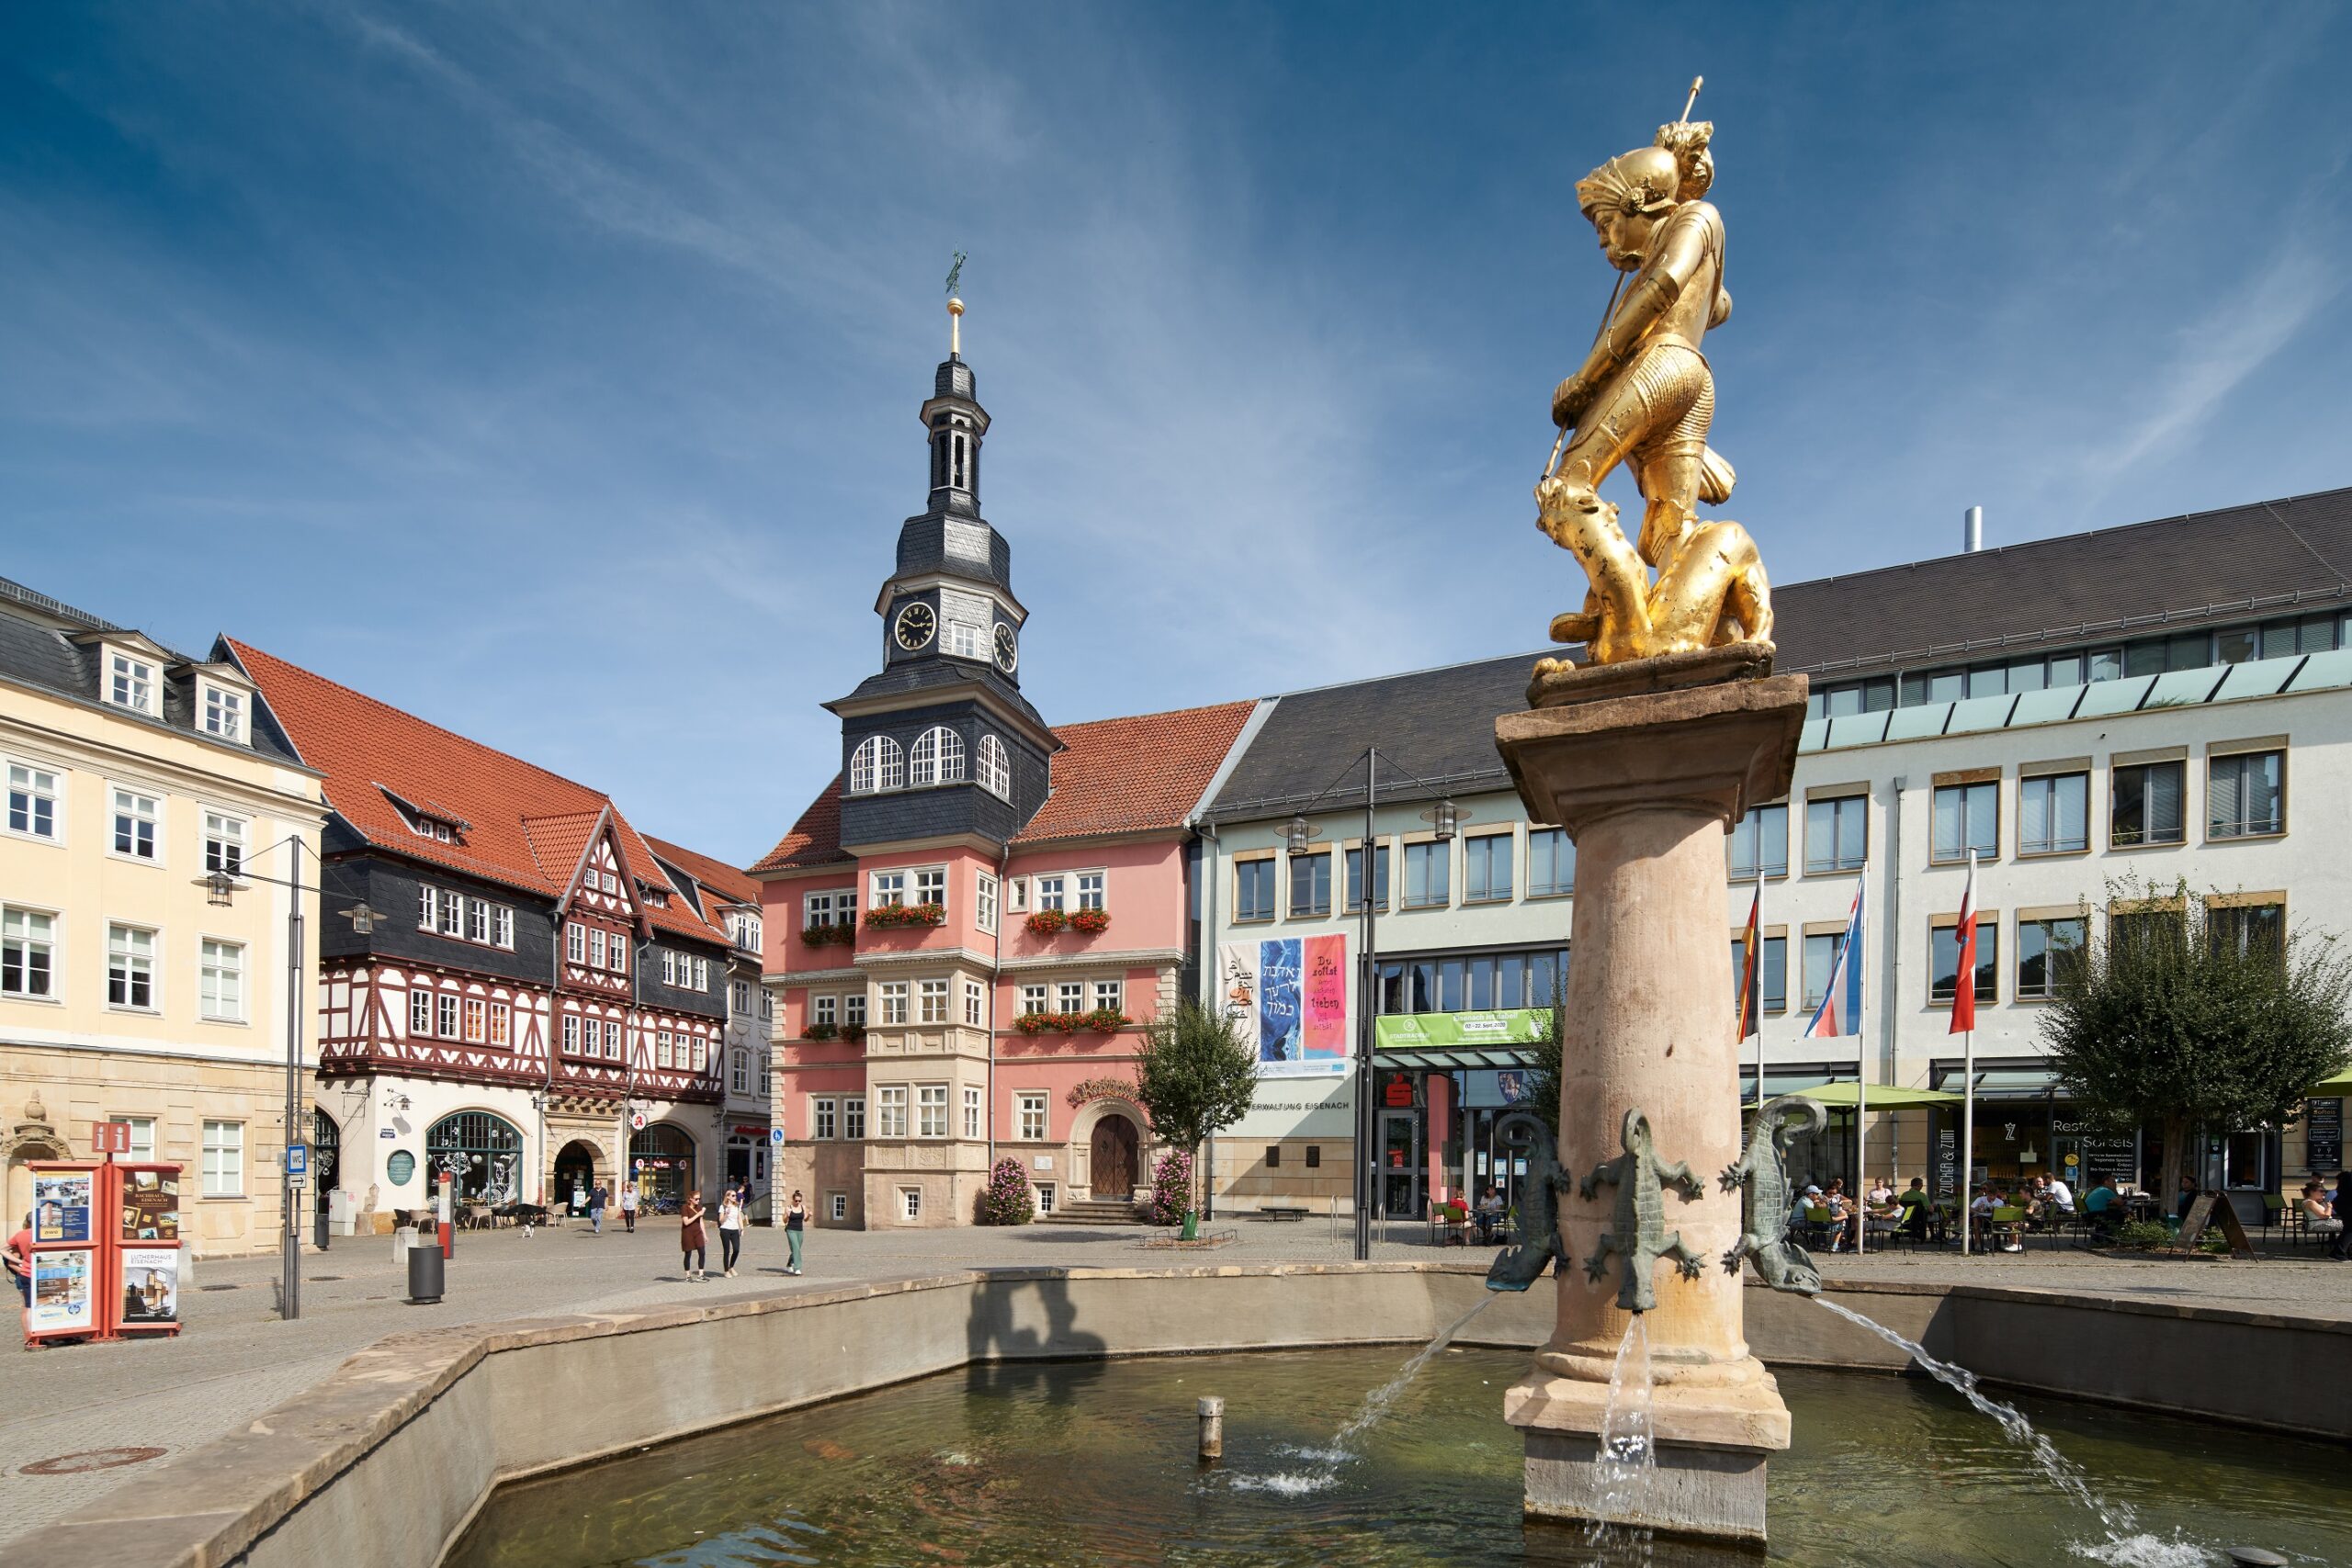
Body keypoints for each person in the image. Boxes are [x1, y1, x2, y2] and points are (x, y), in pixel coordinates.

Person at [2296, 1181, 2340, 1247]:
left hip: (2323, 1223)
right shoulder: (2311, 1203)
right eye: (2321, 1191)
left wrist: (2323, 1203)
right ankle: (2343, 1247)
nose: (2324, 1193)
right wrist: (2329, 1207)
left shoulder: (2312, 1202)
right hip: (2320, 1224)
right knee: (2349, 1226)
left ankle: (2342, 1245)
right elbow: (2325, 1216)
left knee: (2348, 1226)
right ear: (2312, 1192)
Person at [680, 1190, 708, 1281]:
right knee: (688, 1254)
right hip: (688, 1233)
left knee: (702, 1252)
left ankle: (701, 1274)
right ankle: (688, 1276)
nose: (698, 1201)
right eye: (696, 1199)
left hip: (698, 1233)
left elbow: (701, 1222)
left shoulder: (699, 1208)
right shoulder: (685, 1207)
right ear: (691, 1199)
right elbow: (686, 1222)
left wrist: (705, 1235)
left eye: (699, 1199)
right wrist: (698, 1215)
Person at [6, 1213, 32, 1309]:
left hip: (26, 1276)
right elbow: (12, 1264)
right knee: (27, 1306)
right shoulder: (21, 1239)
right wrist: (25, 1269)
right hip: (23, 1277)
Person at [717, 1185, 744, 1278]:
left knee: (736, 1249)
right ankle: (726, 1271)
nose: (735, 1197)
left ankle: (731, 1266)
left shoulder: (736, 1206)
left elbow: (739, 1218)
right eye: (733, 1195)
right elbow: (721, 1220)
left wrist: (742, 1228)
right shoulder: (723, 1206)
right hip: (725, 1230)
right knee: (727, 1251)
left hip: (734, 1230)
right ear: (727, 1196)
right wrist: (726, 1214)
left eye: (735, 1195)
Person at [784, 1189, 808, 1276]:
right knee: (796, 1247)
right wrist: (788, 1215)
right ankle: (797, 1268)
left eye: (799, 1201)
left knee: (796, 1249)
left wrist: (809, 1215)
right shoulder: (788, 1208)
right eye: (796, 1200)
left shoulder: (803, 1207)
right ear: (793, 1199)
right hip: (791, 1230)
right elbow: (784, 1221)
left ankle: (789, 1264)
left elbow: (805, 1219)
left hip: (800, 1230)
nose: (797, 1202)